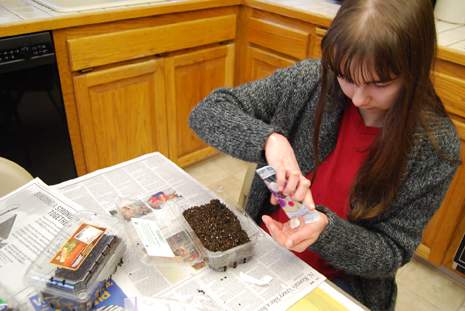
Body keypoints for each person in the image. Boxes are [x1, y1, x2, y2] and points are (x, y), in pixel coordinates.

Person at [189, 0, 461, 310]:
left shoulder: (435, 147)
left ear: (414, 71)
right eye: (347, 77)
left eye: (380, 83)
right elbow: (208, 111)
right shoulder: (309, 83)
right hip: (263, 253)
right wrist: (269, 139)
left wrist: (325, 232)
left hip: (340, 284)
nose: (359, 98)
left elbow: (391, 252)